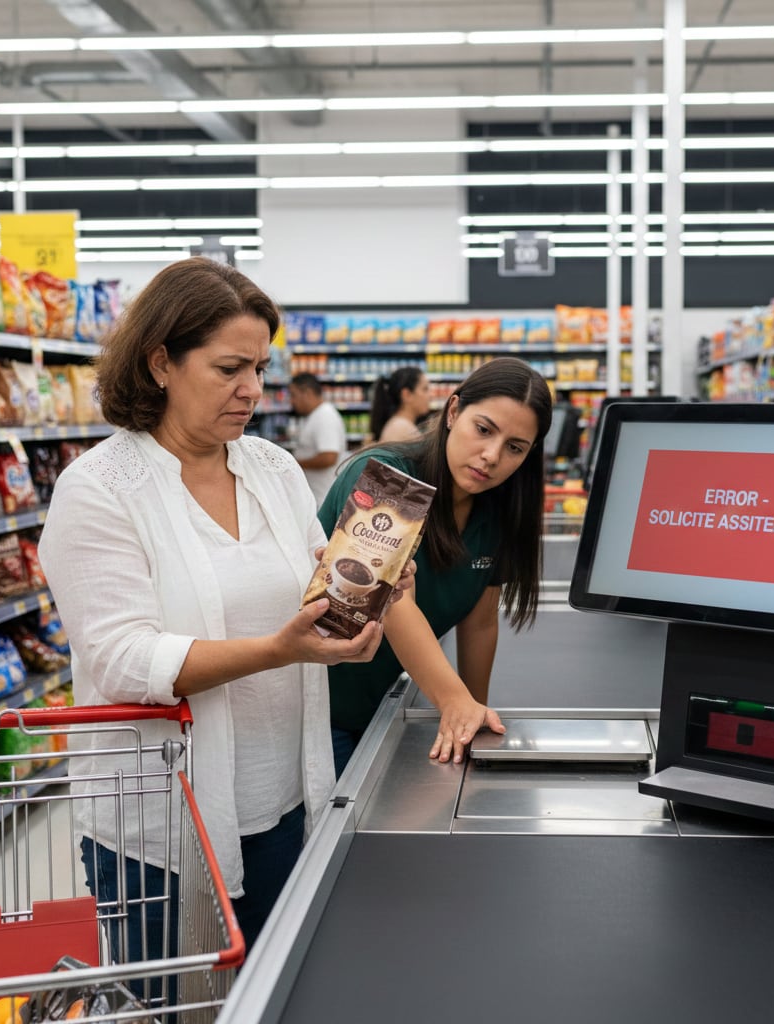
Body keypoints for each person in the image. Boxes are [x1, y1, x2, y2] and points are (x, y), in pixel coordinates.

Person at [38, 258, 405, 968]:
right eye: (230, 367)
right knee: (176, 1010)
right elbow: (122, 659)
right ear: (160, 364)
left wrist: (366, 592)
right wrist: (280, 648)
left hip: (286, 799)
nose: (253, 390)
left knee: (277, 989)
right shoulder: (100, 490)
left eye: (262, 367)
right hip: (164, 825)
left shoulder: (271, 468)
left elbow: (313, 588)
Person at [321, 356, 552, 773]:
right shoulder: (386, 478)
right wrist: (453, 699)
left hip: (381, 708)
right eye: (483, 430)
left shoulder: (498, 509)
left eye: (515, 447)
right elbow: (388, 601)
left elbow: (480, 622)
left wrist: (472, 715)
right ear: (453, 411)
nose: (491, 456)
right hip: (317, 707)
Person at [289, 372, 347, 506]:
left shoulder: (324, 416)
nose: (291, 401)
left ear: (307, 393)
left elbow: (329, 457)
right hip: (317, 496)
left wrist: (294, 463)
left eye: (294, 395)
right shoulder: (317, 415)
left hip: (323, 498)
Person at [370, 366, 431, 443]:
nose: (430, 395)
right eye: (425, 389)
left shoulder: (398, 424)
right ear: (407, 395)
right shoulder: (402, 428)